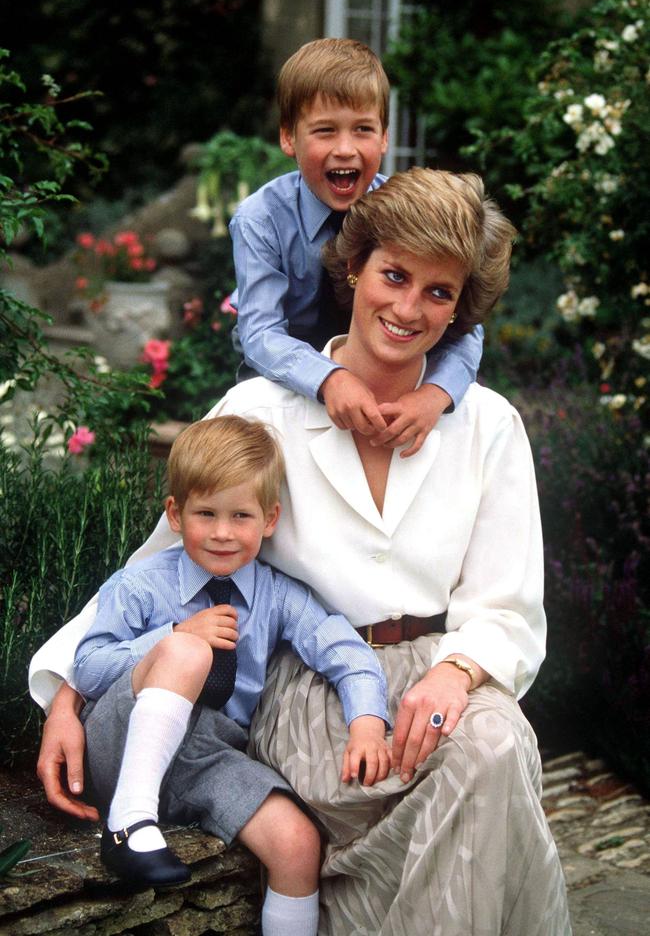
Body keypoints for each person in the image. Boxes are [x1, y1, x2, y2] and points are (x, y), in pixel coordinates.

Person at [31, 168, 571, 935]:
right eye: (394, 275)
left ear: (462, 309)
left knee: (495, 741)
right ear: (355, 267)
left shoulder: (488, 425)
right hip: (314, 689)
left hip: (438, 682)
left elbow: (509, 602)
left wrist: (457, 671)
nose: (409, 308)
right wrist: (65, 691)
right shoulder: (262, 411)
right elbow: (164, 560)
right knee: (487, 770)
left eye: (439, 293)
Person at [70, 415, 390, 933]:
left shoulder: (278, 594)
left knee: (297, 842)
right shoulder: (142, 584)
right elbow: (86, 669)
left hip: (207, 755)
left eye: (240, 515)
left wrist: (368, 722)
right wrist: (173, 633)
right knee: (187, 653)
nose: (222, 532)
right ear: (175, 514)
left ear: (269, 519)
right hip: (122, 742)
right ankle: (128, 825)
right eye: (206, 513)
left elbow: (346, 652)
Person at [229, 37, 484, 458]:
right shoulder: (261, 219)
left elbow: (466, 322)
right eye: (325, 130)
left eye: (363, 130)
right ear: (289, 139)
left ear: (384, 138)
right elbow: (260, 335)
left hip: (387, 379)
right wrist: (329, 377)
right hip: (282, 380)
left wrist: (436, 394)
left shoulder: (404, 211)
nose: (345, 148)